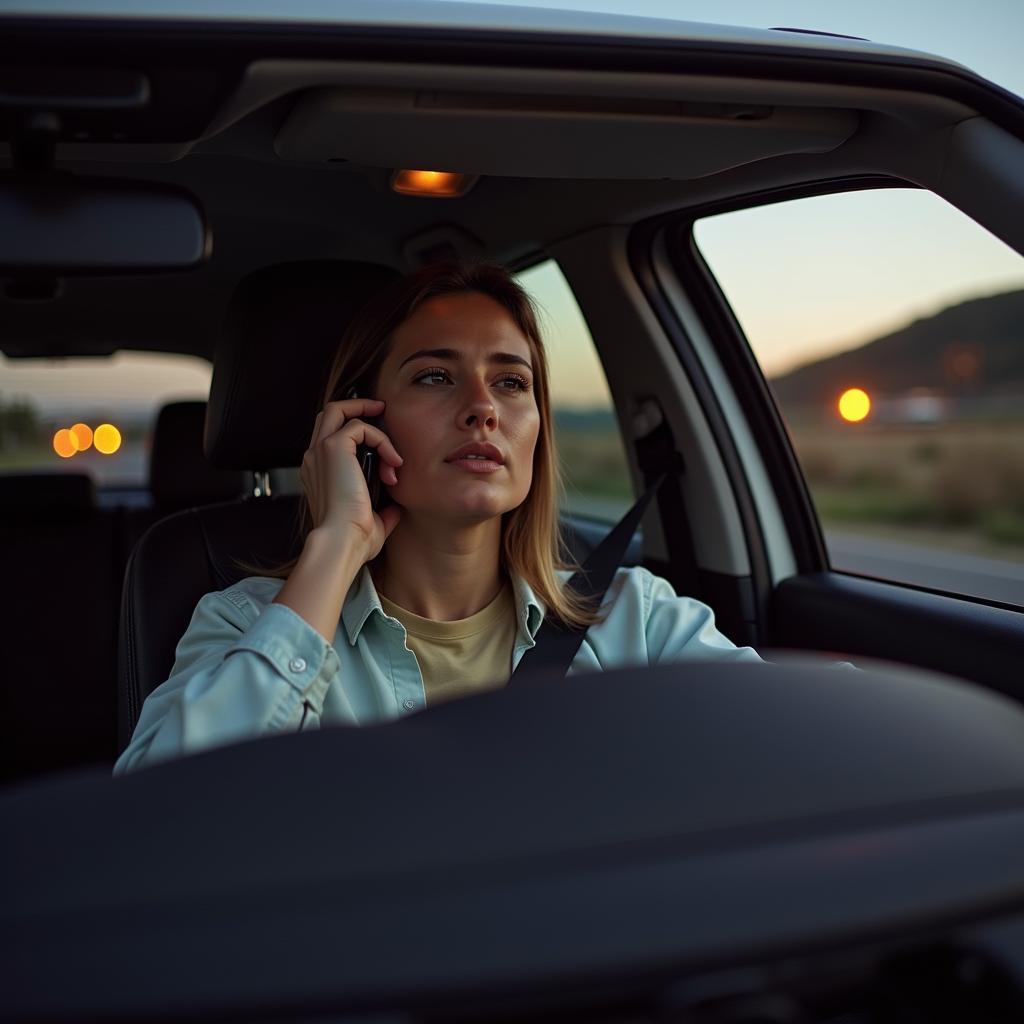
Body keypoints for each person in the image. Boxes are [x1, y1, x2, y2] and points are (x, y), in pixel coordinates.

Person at [114, 263, 760, 774]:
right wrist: (335, 546)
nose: (483, 408)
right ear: (363, 421)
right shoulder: (248, 624)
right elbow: (157, 814)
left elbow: (788, 736)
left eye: (511, 383)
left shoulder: (634, 619)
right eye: (433, 377)